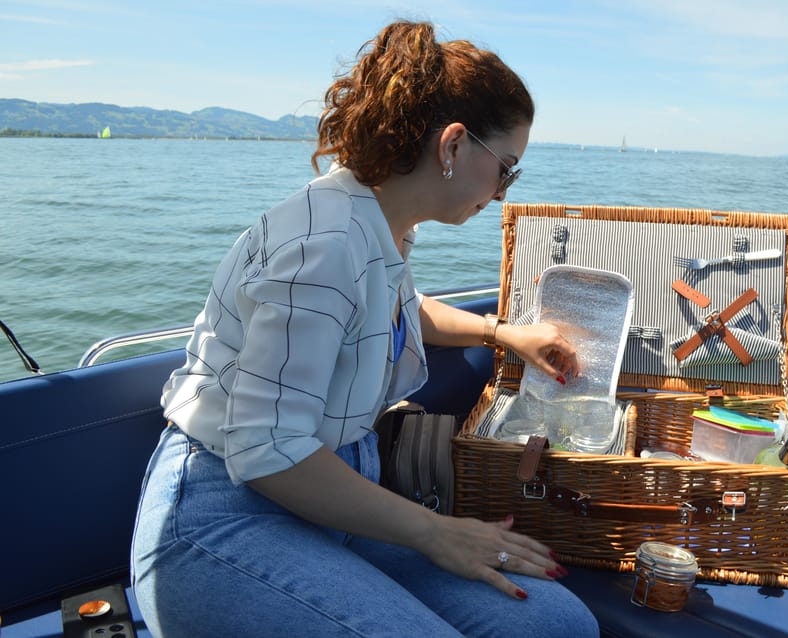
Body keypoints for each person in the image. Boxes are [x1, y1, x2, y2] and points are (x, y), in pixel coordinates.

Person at [131, 19, 599, 638]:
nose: (503, 192)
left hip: (336, 499)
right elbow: (268, 451)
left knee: (556, 625)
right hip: (229, 513)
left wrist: (502, 334)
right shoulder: (323, 245)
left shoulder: (376, 220)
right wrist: (439, 533)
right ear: (454, 145)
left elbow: (397, 310)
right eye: (507, 169)